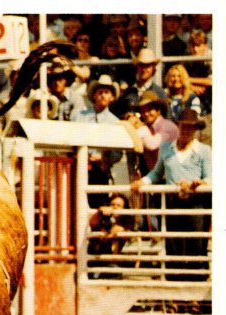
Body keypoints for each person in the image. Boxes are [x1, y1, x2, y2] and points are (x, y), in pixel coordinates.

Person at [130, 109, 211, 281]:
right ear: (179, 126)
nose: (187, 131)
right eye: (184, 126)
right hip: (173, 203)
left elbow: (209, 177)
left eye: (191, 127)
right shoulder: (167, 148)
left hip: (196, 204)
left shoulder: (204, 150)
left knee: (195, 246)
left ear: (196, 129)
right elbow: (157, 173)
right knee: (174, 244)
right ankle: (175, 295)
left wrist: (197, 183)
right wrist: (142, 182)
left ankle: (195, 295)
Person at [71, 75, 123, 206]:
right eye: (100, 92)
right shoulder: (79, 116)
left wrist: (102, 157)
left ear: (111, 97)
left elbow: (117, 153)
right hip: (78, 167)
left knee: (98, 204)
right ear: (94, 95)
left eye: (106, 92)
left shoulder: (115, 122)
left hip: (100, 170)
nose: (103, 95)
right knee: (76, 203)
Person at [112, 48, 168, 119]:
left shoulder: (159, 93)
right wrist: (125, 116)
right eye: (141, 65)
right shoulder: (129, 91)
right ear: (137, 68)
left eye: (147, 66)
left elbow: (166, 118)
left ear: (153, 69)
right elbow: (116, 114)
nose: (144, 69)